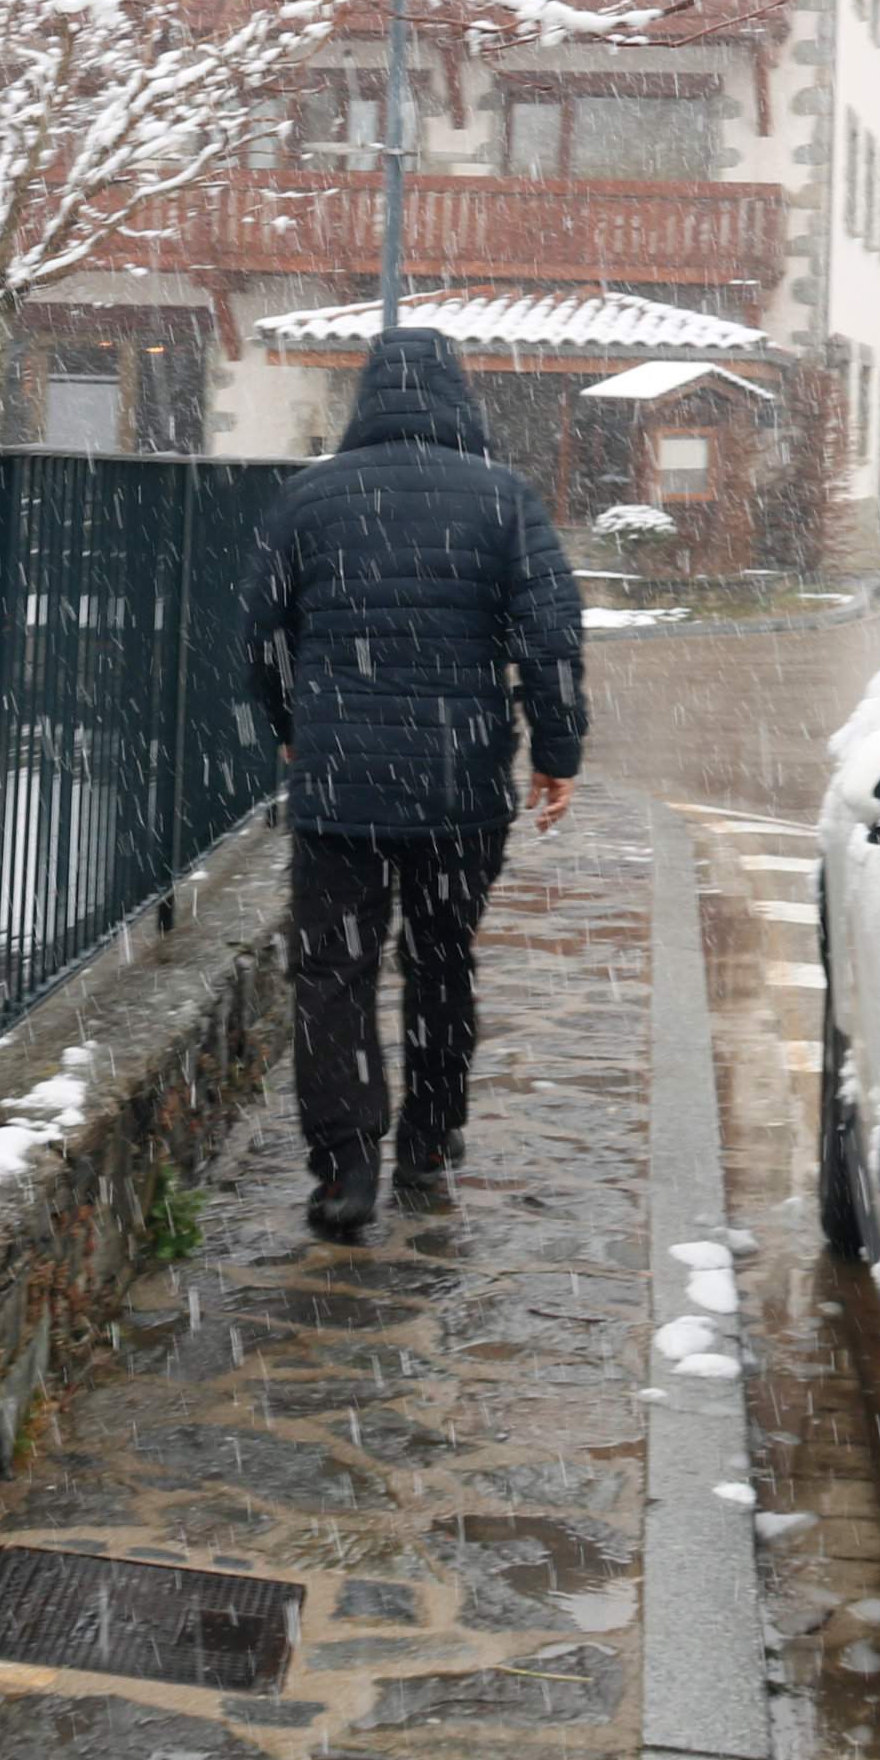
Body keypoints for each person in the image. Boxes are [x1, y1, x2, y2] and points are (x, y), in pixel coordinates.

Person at [243, 326, 587, 1242]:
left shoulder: (306, 499)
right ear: (459, 397)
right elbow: (551, 639)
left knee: (333, 972)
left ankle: (346, 1163)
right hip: (459, 781)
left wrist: (293, 731)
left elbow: (261, 638)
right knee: (443, 960)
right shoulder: (505, 500)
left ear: (366, 397)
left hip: (340, 788)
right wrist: (557, 751)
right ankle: (430, 1142)